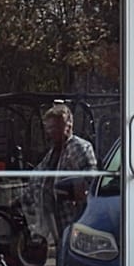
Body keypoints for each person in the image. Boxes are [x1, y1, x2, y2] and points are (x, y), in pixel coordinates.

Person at [31, 102, 97, 246]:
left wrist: (72, 191)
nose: (51, 132)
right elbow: (38, 175)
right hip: (51, 216)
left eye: (55, 127)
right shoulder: (53, 151)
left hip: (72, 216)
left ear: (69, 125)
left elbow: (89, 179)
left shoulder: (79, 147)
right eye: (49, 128)